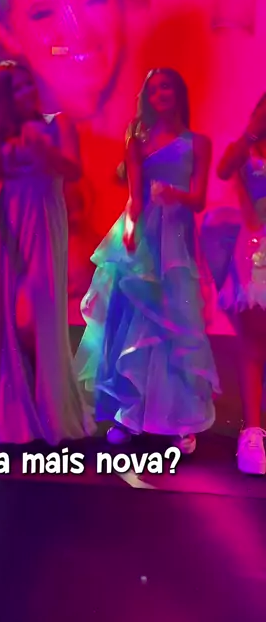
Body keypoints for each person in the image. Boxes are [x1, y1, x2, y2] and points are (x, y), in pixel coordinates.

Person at [0, 0, 127, 322]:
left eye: (94, 1)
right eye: (44, 13)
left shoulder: (126, 161)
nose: (78, 29)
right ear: (6, 36)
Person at [0, 60, 95, 445]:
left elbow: (73, 170)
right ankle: (10, 410)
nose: (27, 93)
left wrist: (43, 151)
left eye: (29, 84)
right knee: (1, 320)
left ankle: (45, 409)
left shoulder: (57, 124)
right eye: (16, 89)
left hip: (42, 226)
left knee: (34, 320)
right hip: (4, 232)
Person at [75, 68, 220, 454]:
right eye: (153, 90)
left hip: (177, 239)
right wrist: (129, 230)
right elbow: (135, 197)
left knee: (176, 323)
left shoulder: (198, 143)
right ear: (147, 98)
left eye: (166, 86)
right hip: (144, 236)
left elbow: (199, 200)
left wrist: (175, 195)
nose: (161, 94)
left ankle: (179, 422)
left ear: (179, 92)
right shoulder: (137, 139)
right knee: (133, 321)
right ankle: (130, 415)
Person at [211, 93, 266, 474]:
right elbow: (223, 169)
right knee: (253, 343)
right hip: (256, 250)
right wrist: (251, 134)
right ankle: (252, 433)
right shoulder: (247, 150)